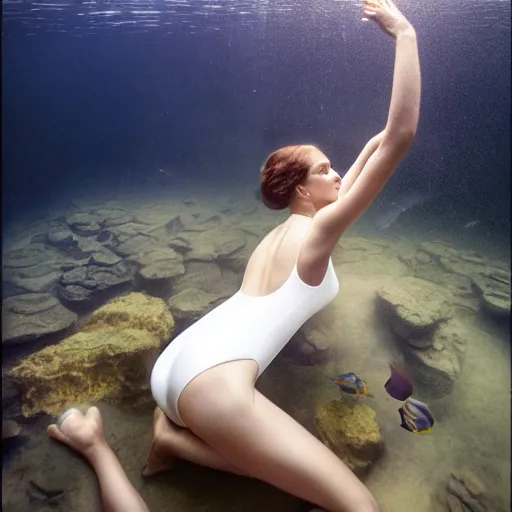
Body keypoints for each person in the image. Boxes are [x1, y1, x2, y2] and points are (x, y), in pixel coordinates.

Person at [48, 1, 420, 511]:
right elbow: (399, 136)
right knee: (362, 507)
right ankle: (97, 449)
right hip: (212, 387)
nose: (338, 175)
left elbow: (376, 147)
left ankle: (174, 440)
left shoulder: (285, 233)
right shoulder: (318, 234)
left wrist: (369, 146)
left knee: (288, 466)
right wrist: (404, 33)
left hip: (179, 362)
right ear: (303, 191)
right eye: (326, 168)